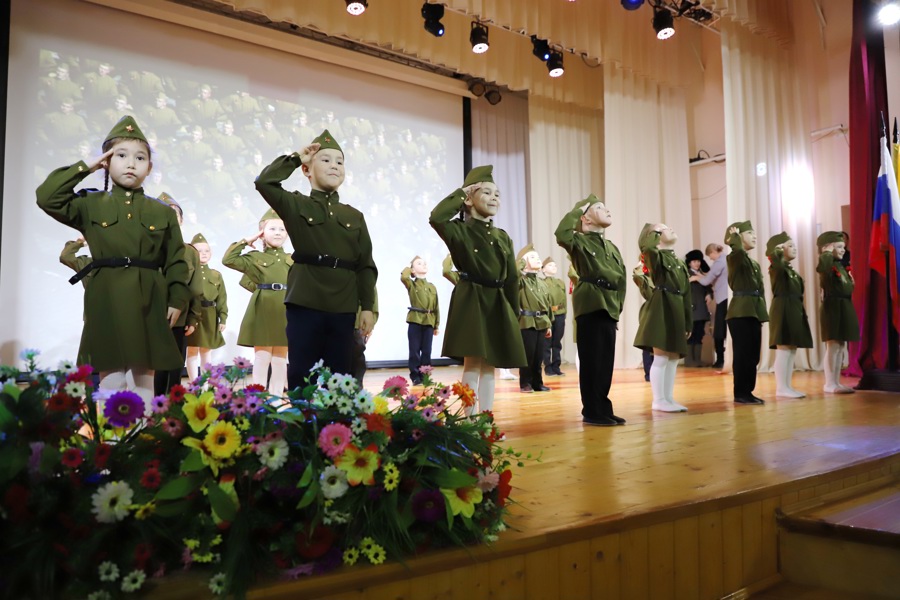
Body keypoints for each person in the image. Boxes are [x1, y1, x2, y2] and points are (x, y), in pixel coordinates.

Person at [36, 115, 189, 405]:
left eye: (140, 157)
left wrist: (177, 299)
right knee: (111, 377)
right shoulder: (90, 204)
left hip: (149, 296)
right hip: (106, 295)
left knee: (144, 377)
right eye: (121, 155)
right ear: (107, 161)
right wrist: (87, 167)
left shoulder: (163, 212)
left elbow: (176, 260)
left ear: (150, 168)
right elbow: (47, 197)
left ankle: (142, 439)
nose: (131, 163)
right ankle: (112, 442)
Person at [254, 130, 377, 388]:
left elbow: (365, 265)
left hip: (343, 304)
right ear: (307, 170)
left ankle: (337, 428)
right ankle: (302, 426)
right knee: (301, 374)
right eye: (325, 160)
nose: (334, 165)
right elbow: (265, 182)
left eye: (340, 162)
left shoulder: (354, 216)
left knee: (341, 377)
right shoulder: (296, 204)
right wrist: (297, 157)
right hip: (305, 301)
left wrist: (367, 306)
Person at [429, 165, 526, 415]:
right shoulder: (459, 231)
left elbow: (512, 278)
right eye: (486, 192)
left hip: (497, 301)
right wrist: (462, 193)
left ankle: (486, 418)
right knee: (473, 362)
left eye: (497, 194)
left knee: (490, 364)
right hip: (472, 298)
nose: (494, 197)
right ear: (469, 199)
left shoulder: (503, 237)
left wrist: (513, 312)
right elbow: (437, 217)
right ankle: (468, 418)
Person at [555, 194, 627, 426]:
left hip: (609, 305)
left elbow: (622, 279)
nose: (607, 210)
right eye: (599, 208)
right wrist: (579, 209)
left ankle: (603, 407)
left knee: (606, 361)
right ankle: (592, 410)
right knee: (591, 361)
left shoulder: (611, 246)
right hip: (591, 301)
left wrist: (618, 307)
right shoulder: (579, 241)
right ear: (586, 218)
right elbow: (561, 234)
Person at [222, 210, 291, 397]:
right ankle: (257, 397)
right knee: (262, 356)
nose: (278, 232)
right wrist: (246, 241)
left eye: (282, 229)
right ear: (262, 233)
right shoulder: (255, 258)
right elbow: (228, 259)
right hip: (264, 308)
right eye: (272, 228)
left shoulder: (292, 259)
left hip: (286, 308)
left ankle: (277, 397)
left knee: (280, 358)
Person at [634, 223, 692, 413]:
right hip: (662, 307)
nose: (670, 229)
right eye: (662, 229)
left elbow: (687, 294)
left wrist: (688, 321)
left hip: (676, 308)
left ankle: (668, 398)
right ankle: (658, 400)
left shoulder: (680, 262)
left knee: (673, 357)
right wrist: (653, 232)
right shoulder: (656, 257)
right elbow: (647, 248)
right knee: (661, 356)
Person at [153, 193, 204, 397]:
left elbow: (195, 288)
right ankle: (152, 407)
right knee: (150, 365)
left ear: (181, 220)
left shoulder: (190, 252)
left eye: (174, 215)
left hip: (179, 317)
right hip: (150, 316)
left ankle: (173, 406)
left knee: (175, 364)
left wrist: (193, 317)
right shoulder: (144, 249)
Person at [724, 221, 768, 405]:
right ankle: (740, 392)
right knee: (743, 355)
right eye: (749, 233)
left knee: (753, 355)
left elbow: (761, 289)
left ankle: (748, 391)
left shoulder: (753, 262)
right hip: (740, 311)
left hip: (753, 310)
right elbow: (738, 254)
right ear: (737, 237)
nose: (754, 236)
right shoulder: (735, 257)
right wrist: (733, 241)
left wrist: (762, 313)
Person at [765, 232, 813, 398]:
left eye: (794, 245)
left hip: (793, 307)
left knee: (791, 348)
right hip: (783, 307)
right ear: (779, 249)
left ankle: (787, 386)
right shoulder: (776, 267)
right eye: (790, 245)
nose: (794, 249)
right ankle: (781, 388)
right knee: (784, 347)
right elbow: (776, 263)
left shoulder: (788, 269)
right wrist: (776, 252)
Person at [817, 231, 859, 393]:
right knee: (833, 345)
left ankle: (836, 381)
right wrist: (826, 252)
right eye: (839, 247)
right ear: (828, 248)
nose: (843, 250)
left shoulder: (839, 265)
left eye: (843, 247)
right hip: (832, 307)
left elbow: (847, 287)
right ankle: (829, 383)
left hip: (843, 304)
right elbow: (823, 267)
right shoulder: (826, 262)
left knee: (841, 346)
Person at [184, 233, 228, 380]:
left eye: (206, 251)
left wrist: (223, 318)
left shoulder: (216, 275)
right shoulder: (187, 273)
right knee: (191, 351)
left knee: (206, 351)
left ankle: (205, 383)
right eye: (199, 251)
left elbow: (222, 298)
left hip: (210, 314)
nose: (203, 254)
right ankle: (194, 383)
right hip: (192, 314)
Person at [516, 245, 553, 393]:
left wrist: (549, 323)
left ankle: (537, 382)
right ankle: (525, 383)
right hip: (527, 321)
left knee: (539, 356)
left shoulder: (542, 282)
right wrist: (520, 264)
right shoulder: (521, 281)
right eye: (532, 257)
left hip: (542, 321)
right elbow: (513, 276)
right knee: (527, 355)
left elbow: (548, 305)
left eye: (537, 257)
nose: (537, 259)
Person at [402, 257, 439, 385]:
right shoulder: (412, 284)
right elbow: (404, 277)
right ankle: (415, 376)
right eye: (419, 263)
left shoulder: (432, 287)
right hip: (415, 320)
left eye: (424, 263)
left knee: (427, 351)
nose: (423, 264)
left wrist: (436, 324)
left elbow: (436, 307)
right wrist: (410, 267)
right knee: (414, 351)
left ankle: (425, 376)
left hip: (429, 321)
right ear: (412, 269)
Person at [691, 243, 728, 369]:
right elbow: (710, 278)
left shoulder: (719, 263)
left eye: (710, 256)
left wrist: (696, 278)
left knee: (719, 331)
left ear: (713, 251)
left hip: (723, 299)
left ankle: (720, 360)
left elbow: (707, 281)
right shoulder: (726, 259)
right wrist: (699, 276)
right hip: (726, 298)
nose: (710, 259)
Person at [541, 256, 567, 376]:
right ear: (543, 269)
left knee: (557, 342)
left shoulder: (560, 283)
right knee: (547, 343)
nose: (554, 267)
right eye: (550, 265)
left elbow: (564, 299)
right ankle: (548, 367)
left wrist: (564, 314)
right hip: (548, 315)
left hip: (560, 315)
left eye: (555, 265)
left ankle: (556, 366)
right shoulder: (542, 283)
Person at [685, 249, 712, 367]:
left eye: (699, 261)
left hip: (701, 309)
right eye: (694, 261)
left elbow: (709, 287)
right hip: (691, 309)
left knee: (700, 334)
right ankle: (690, 360)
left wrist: (709, 294)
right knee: (691, 334)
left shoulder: (702, 274)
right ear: (689, 262)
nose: (697, 263)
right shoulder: (685, 274)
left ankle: (697, 360)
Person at [631, 259, 654, 382]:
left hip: (661, 311)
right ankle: (649, 374)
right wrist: (640, 263)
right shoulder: (645, 278)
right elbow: (637, 275)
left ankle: (655, 373)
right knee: (647, 346)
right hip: (650, 312)